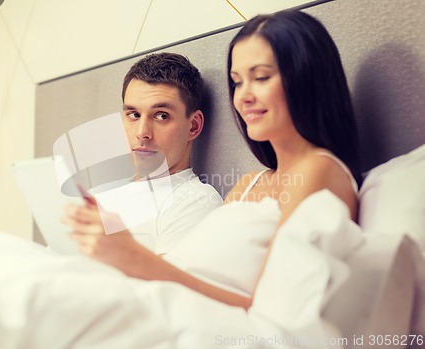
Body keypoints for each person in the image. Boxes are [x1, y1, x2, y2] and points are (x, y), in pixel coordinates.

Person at [62, 10, 360, 309]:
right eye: (237, 82)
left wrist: (133, 257)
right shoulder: (248, 184)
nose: (243, 96)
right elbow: (195, 273)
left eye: (261, 78)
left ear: (305, 80)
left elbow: (274, 309)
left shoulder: (317, 170)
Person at [87, 52, 223, 255]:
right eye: (133, 115)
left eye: (161, 116)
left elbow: (165, 286)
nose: (142, 133)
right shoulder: (100, 193)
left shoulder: (195, 200)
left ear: (193, 126)